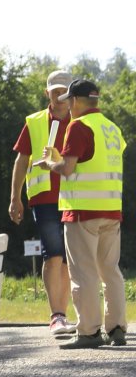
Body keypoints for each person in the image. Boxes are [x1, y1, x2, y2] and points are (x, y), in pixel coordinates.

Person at [42, 78, 125, 349]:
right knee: (110, 271)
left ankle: (89, 331)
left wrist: (50, 162)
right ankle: (117, 329)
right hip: (111, 210)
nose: (68, 106)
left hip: (82, 212)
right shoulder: (112, 128)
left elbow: (67, 168)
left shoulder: (79, 126)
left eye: (69, 100)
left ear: (76, 101)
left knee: (84, 273)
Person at [10, 69, 75, 336]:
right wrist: (15, 198)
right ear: (46, 92)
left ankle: (66, 315)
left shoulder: (81, 122)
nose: (59, 97)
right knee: (53, 253)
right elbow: (21, 160)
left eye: (64, 92)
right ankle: (56, 316)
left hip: (75, 197)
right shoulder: (35, 122)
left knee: (69, 259)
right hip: (44, 198)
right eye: (55, 91)